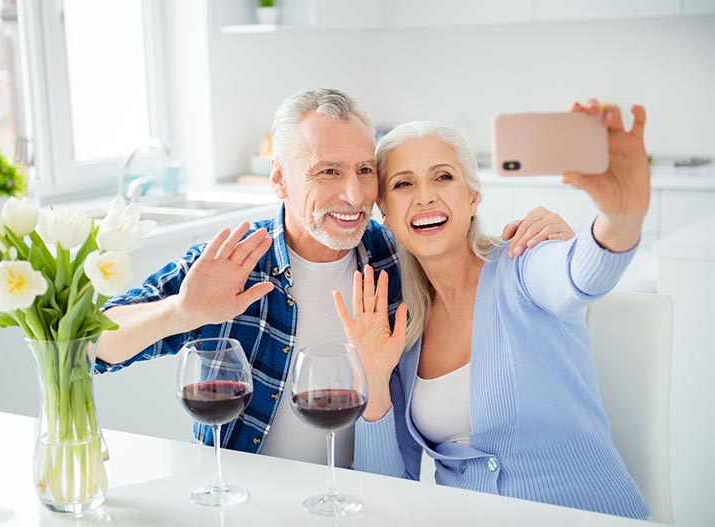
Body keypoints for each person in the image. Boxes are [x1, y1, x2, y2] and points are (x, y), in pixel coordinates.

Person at [96, 88, 574, 467]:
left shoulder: (396, 256)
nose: (353, 194)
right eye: (328, 171)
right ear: (280, 179)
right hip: (241, 499)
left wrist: (544, 237)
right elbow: (92, 344)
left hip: (356, 500)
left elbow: (474, 261)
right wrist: (181, 312)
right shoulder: (232, 264)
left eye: (365, 170)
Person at [333, 100, 651, 518]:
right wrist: (373, 383)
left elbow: (579, 274)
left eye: (443, 177)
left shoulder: (523, 265)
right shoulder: (399, 331)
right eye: (404, 184)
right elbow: (389, 490)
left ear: (472, 197)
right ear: (385, 214)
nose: (425, 197)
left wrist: (621, 218)